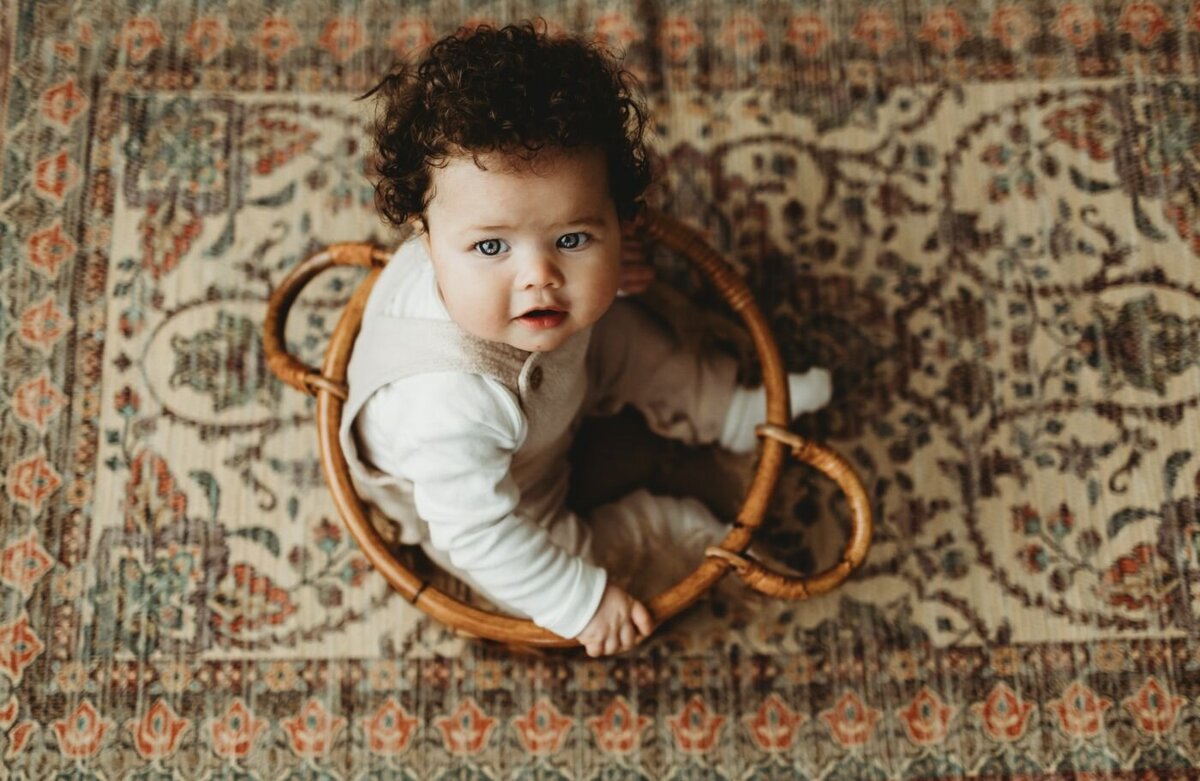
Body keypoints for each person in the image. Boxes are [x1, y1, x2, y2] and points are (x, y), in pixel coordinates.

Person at [341, 21, 831, 657]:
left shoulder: (521, 281)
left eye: (572, 238)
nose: (540, 277)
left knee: (626, 333)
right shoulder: (446, 409)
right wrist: (579, 600)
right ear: (424, 236)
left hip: (550, 393)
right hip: (508, 488)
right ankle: (662, 530)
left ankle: (726, 409)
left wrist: (608, 262)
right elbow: (478, 535)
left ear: (616, 217)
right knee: (565, 559)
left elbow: (565, 254)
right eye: (491, 246)